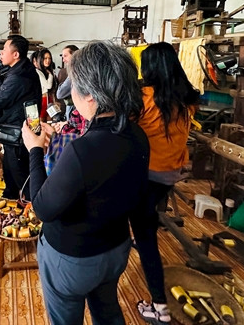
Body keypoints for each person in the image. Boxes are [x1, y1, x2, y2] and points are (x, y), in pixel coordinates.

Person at [21, 41, 151, 325]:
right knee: (107, 311)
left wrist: (35, 149)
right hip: (115, 249)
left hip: (73, 258)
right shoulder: (137, 135)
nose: (72, 93)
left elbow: (42, 208)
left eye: (75, 86)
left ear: (90, 95)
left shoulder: (82, 150)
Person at [135, 42, 201, 325]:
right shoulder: (186, 97)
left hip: (145, 174)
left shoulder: (144, 96)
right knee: (146, 217)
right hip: (171, 173)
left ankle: (160, 308)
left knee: (145, 235)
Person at [0, 35, 42, 198]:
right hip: (19, 131)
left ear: (16, 54)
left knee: (21, 176)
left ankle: (34, 206)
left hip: (18, 134)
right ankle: (10, 197)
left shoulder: (18, 77)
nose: (1, 53)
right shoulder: (23, 70)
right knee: (10, 173)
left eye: (4, 50)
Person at [56, 44, 79, 120]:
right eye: (62, 57)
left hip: (75, 113)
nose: (63, 60)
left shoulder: (75, 72)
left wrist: (60, 85)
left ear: (74, 55)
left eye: (65, 56)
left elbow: (60, 93)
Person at [36, 49, 57, 121]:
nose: (48, 60)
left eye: (49, 58)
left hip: (50, 99)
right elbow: (48, 86)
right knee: (42, 122)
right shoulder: (38, 71)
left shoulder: (48, 71)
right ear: (40, 59)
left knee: (50, 122)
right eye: (45, 58)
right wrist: (51, 75)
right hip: (42, 99)